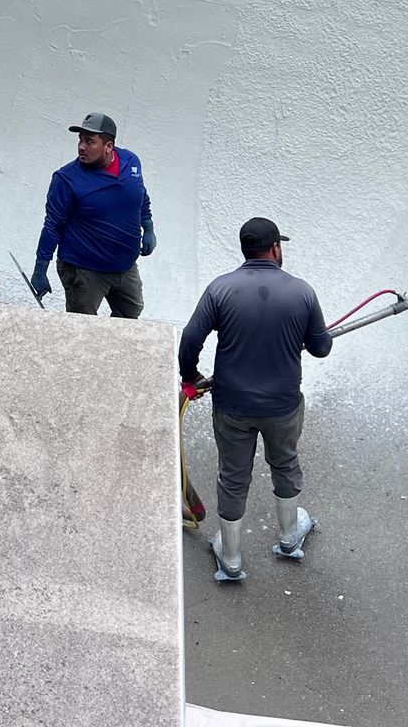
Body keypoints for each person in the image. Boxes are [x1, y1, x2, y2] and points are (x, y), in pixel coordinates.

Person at [178, 217, 331, 583]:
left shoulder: (220, 289)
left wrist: (190, 377)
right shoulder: (302, 292)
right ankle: (290, 539)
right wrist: (304, 337)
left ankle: (230, 560)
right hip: (282, 405)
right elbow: (322, 348)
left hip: (232, 405)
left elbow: (190, 338)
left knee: (233, 478)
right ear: (275, 248)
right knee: (285, 464)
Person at [29, 111, 155, 318]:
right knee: (83, 328)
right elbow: (52, 226)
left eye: (89, 141)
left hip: (124, 266)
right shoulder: (67, 179)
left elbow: (139, 194)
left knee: (131, 312)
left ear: (108, 147)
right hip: (84, 270)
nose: (81, 147)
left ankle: (110, 350)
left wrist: (148, 225)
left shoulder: (130, 162)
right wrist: (40, 268)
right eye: (80, 140)